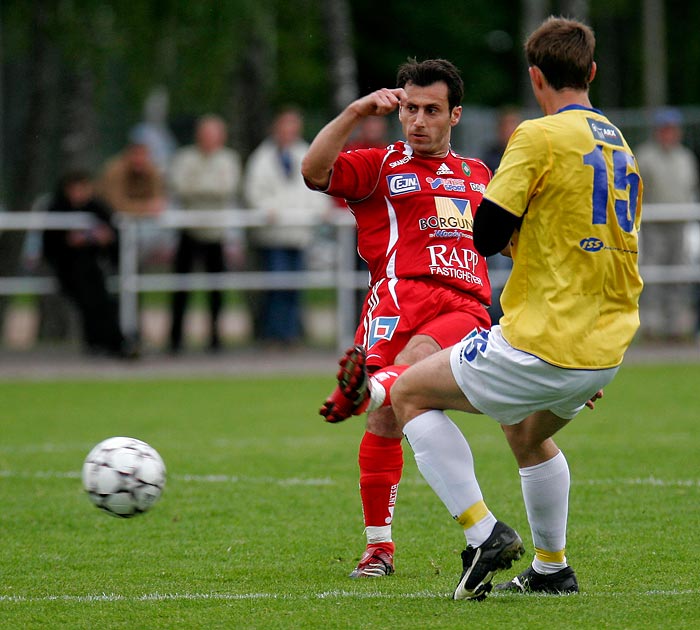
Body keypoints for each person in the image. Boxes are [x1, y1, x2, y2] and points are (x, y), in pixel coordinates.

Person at [382, 17, 643, 600]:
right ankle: (552, 569)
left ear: (534, 77)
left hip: (541, 337)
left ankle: (483, 535)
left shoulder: (538, 135)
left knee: (407, 393)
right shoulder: (617, 142)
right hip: (604, 344)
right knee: (527, 435)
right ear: (592, 72)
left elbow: (486, 231)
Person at [302, 59, 494, 578]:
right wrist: (355, 110)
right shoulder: (380, 164)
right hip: (391, 303)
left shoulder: (480, 176)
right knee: (386, 417)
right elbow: (313, 171)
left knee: (414, 365)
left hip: (461, 304)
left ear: (454, 115)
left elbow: (526, 254)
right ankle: (379, 549)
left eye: (432, 110)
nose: (418, 121)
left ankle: (365, 386)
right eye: (410, 108)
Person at [245, 107, 332, 345]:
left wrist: (320, 209)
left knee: (295, 287)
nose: (289, 132)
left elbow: (317, 185)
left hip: (299, 232)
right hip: (274, 234)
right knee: (277, 286)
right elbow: (255, 192)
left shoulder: (305, 152)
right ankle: (275, 335)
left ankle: (291, 334)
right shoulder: (262, 158)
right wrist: (268, 210)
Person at [42, 170, 137, 358]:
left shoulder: (96, 207)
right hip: (67, 269)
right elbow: (49, 246)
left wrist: (105, 238)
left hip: (92, 268)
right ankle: (108, 344)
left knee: (103, 302)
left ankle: (114, 344)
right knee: (91, 302)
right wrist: (67, 241)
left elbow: (114, 235)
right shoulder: (56, 209)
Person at [168, 115, 242, 353]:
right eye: (206, 134)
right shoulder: (184, 158)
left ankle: (215, 339)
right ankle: (175, 339)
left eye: (214, 134)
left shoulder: (228, 159)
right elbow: (180, 187)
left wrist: (199, 188)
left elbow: (227, 188)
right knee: (181, 288)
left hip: (216, 233)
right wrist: (209, 188)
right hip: (188, 230)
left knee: (217, 289)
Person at [635, 107, 698, 341]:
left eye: (672, 129)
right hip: (655, 224)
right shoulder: (645, 156)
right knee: (653, 272)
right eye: (665, 129)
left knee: (678, 274)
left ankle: (674, 325)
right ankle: (652, 325)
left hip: (679, 223)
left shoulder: (685, 157)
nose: (669, 134)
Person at [482, 107, 522, 326]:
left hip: (520, 225)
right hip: (499, 224)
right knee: (496, 277)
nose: (511, 130)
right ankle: (496, 321)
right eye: (508, 125)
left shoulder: (526, 154)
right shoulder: (491, 156)